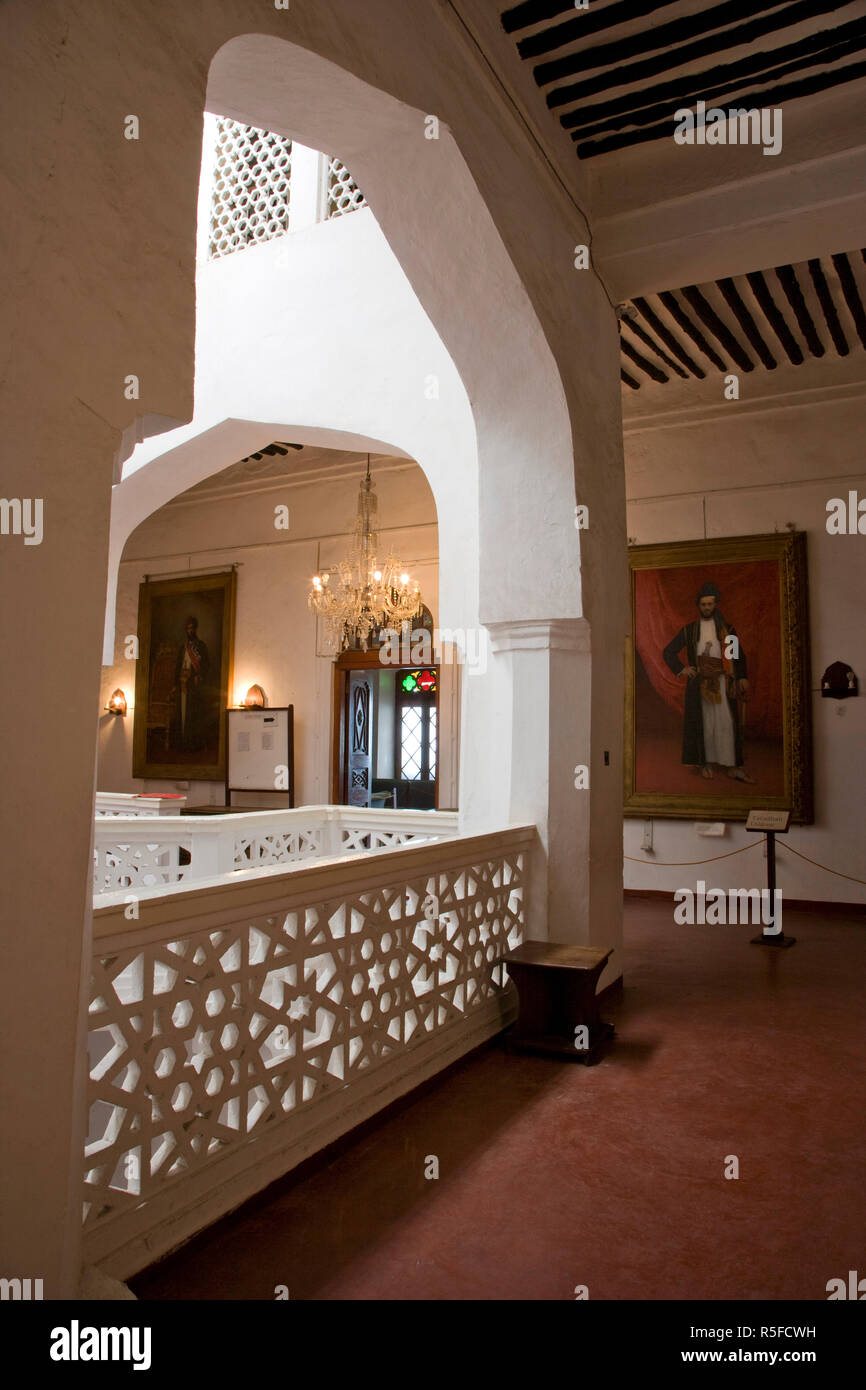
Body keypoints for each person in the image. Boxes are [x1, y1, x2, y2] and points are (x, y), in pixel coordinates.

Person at [662, 581, 754, 781]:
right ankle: (704, 763)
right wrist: (682, 669)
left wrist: (743, 676)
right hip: (700, 684)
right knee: (705, 723)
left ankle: (731, 766)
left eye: (710, 604)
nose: (707, 608)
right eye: (703, 604)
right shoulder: (690, 631)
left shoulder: (726, 630)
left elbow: (736, 656)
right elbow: (668, 652)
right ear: (698, 606)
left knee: (726, 723)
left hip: (722, 683)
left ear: (715, 605)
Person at [173, 616, 210, 752]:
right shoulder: (183, 647)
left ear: (195, 629)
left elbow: (206, 665)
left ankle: (192, 743)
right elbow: (178, 666)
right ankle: (181, 742)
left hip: (194, 685)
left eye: (191, 628)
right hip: (182, 683)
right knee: (181, 712)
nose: (189, 631)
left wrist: (198, 676)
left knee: (193, 714)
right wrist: (176, 682)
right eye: (187, 629)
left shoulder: (201, 646)